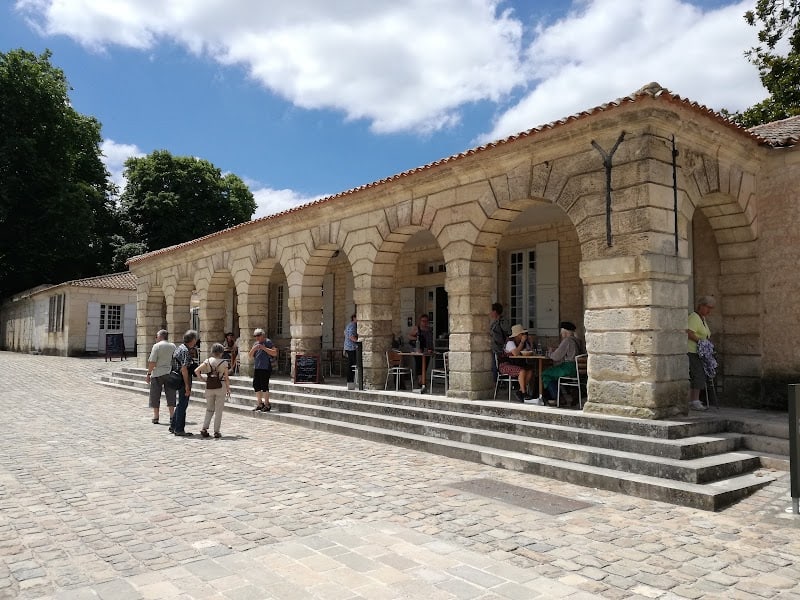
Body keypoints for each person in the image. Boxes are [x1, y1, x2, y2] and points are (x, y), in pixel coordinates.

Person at [195, 342, 231, 438]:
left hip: (210, 386)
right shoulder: (224, 363)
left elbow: (196, 371)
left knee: (209, 409)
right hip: (221, 385)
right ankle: (216, 431)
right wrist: (228, 388)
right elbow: (226, 377)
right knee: (219, 410)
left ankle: (204, 428)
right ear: (221, 352)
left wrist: (203, 380)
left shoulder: (207, 361)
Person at [542, 322, 583, 405]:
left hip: (569, 368)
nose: (561, 334)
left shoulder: (567, 340)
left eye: (561, 332)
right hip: (577, 369)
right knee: (554, 372)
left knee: (546, 374)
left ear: (565, 332)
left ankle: (557, 398)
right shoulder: (578, 341)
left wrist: (549, 352)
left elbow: (555, 357)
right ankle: (562, 396)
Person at [687, 296, 715, 411]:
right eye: (708, 307)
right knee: (698, 374)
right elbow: (689, 332)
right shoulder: (694, 317)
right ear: (701, 306)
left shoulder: (702, 318)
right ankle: (694, 401)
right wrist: (701, 342)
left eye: (711, 308)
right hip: (692, 351)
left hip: (700, 352)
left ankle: (695, 400)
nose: (709, 311)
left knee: (701, 374)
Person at [170, 329, 199, 437]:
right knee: (183, 404)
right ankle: (179, 429)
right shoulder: (185, 351)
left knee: (180, 403)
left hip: (177, 378)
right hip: (182, 380)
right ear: (192, 339)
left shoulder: (180, 348)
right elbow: (184, 369)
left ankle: (173, 426)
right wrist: (187, 386)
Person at [145, 329, 176, 425]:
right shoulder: (173, 346)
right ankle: (172, 416)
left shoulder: (157, 346)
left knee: (155, 394)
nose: (155, 338)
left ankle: (156, 416)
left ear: (160, 336)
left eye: (156, 336)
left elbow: (152, 362)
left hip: (157, 373)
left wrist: (149, 373)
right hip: (169, 372)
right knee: (171, 394)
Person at [500, 324, 536, 403]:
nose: (524, 335)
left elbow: (529, 351)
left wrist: (531, 343)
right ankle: (524, 393)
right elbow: (515, 353)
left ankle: (519, 391)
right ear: (518, 335)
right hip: (506, 365)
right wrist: (522, 342)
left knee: (530, 371)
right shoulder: (510, 342)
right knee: (522, 371)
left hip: (517, 364)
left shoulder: (521, 342)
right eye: (522, 334)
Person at [249, 328, 277, 411]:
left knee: (264, 385)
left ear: (262, 335)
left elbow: (274, 353)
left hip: (265, 367)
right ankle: (259, 403)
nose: (256, 338)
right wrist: (254, 348)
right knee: (256, 385)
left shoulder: (268, 342)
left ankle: (267, 404)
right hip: (257, 367)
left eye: (258, 335)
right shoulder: (255, 343)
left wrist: (263, 348)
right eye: (255, 336)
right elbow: (250, 355)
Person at [408, 314, 434, 389]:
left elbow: (430, 340)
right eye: (423, 321)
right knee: (419, 364)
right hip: (418, 349)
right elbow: (409, 336)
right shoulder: (416, 328)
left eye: (426, 321)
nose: (424, 323)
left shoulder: (429, 329)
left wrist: (431, 349)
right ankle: (420, 381)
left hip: (427, 350)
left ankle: (422, 381)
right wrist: (416, 339)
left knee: (425, 365)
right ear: (420, 321)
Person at [489, 303, 507, 382]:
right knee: (494, 367)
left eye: (491, 311)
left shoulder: (503, 322)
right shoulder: (494, 323)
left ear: (495, 312)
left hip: (500, 349)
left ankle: (498, 383)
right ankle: (496, 383)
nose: (490, 313)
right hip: (494, 348)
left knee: (497, 367)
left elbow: (508, 334)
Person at [343, 313, 359, 390]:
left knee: (351, 364)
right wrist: (358, 341)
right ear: (354, 318)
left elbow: (344, 333)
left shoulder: (349, 325)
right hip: (351, 347)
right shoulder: (353, 325)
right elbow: (351, 336)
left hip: (348, 347)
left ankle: (350, 382)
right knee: (352, 365)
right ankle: (351, 381)